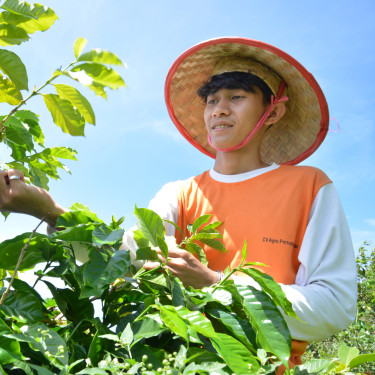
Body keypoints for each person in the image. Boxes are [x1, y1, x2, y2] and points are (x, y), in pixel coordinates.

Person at [0, 37, 357, 368]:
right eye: (212, 100)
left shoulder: (309, 187)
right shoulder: (180, 193)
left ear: (273, 112)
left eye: (236, 97)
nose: (219, 110)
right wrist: (48, 210)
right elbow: (127, 257)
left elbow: (336, 305)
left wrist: (215, 283)